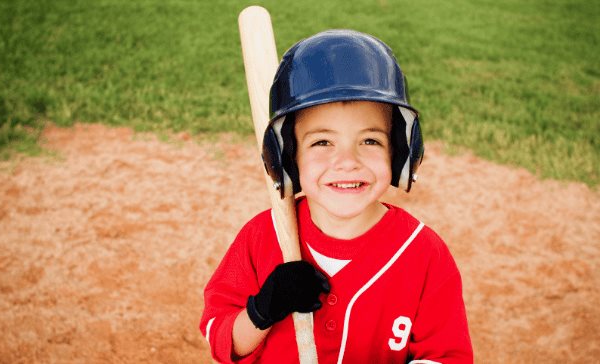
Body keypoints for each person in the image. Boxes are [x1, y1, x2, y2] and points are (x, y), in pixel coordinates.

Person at [200, 29, 473, 363]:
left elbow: (446, 355)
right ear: (289, 157)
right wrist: (261, 311)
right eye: (322, 142)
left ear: (399, 152)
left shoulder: (425, 254)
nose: (347, 162)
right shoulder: (260, 237)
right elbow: (221, 341)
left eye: (370, 141)